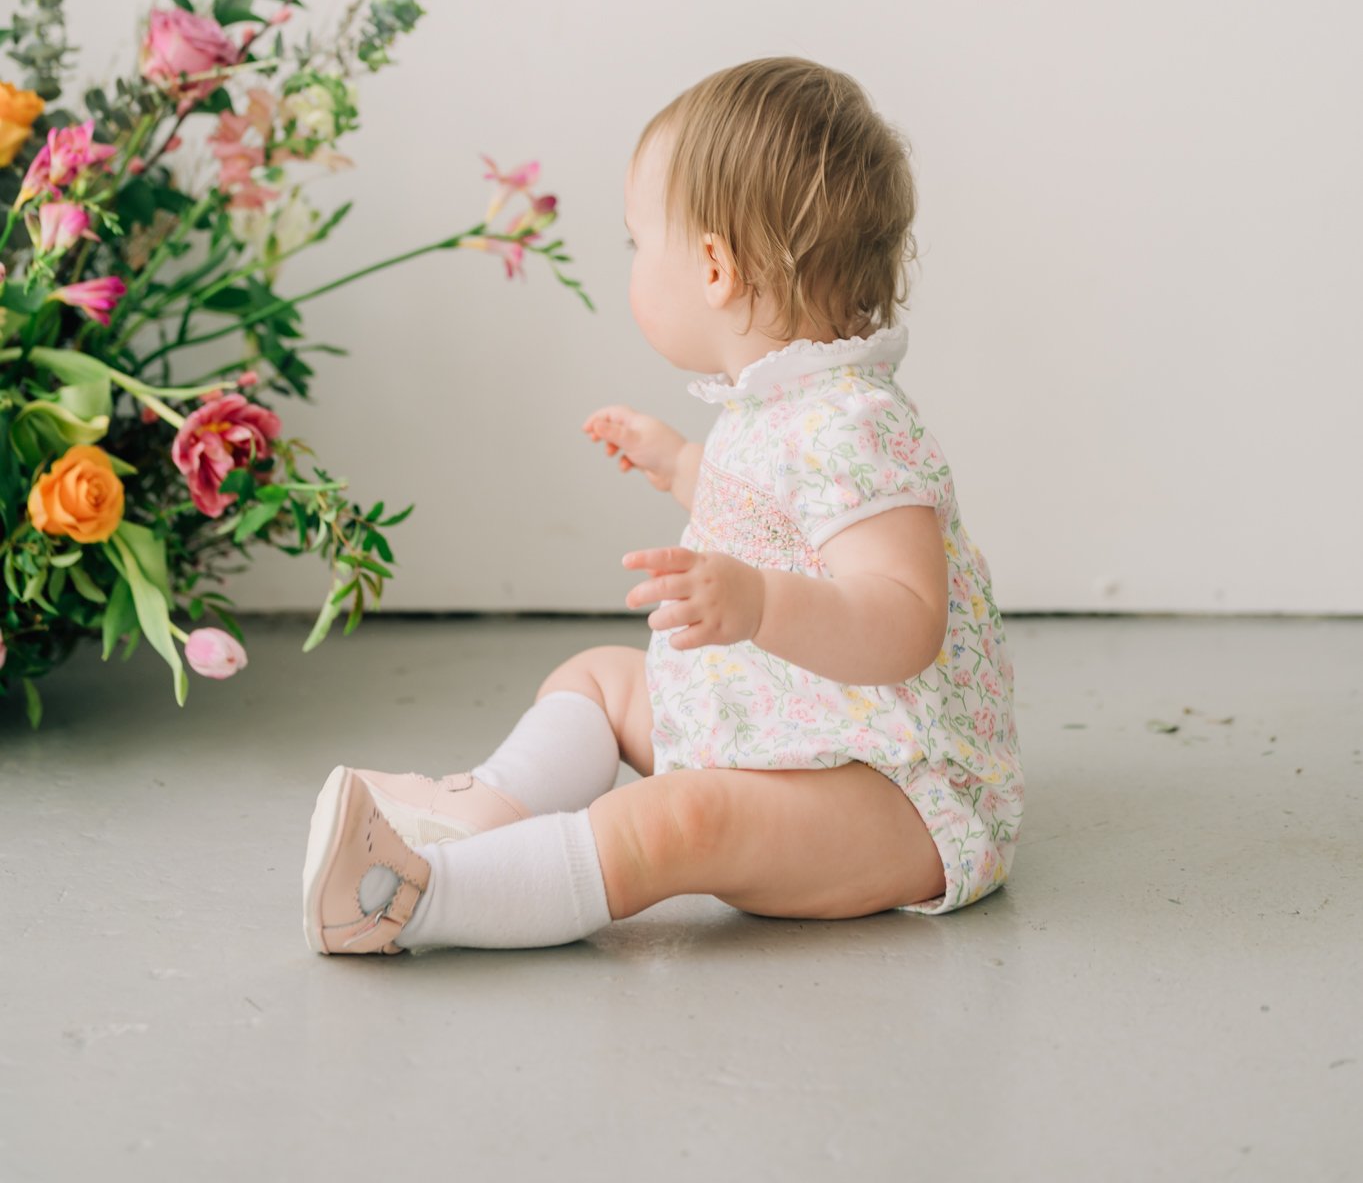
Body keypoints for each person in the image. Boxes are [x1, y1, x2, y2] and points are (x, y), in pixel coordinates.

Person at [301, 56, 1025, 955]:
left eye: (639, 242)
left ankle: (415, 897)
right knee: (599, 679)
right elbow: (780, 525)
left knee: (680, 818)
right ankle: (479, 811)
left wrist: (755, 605)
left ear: (714, 266)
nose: (635, 263)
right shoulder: (777, 403)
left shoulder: (858, 423)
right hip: (780, 724)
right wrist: (684, 467)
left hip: (890, 795)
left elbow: (904, 620)